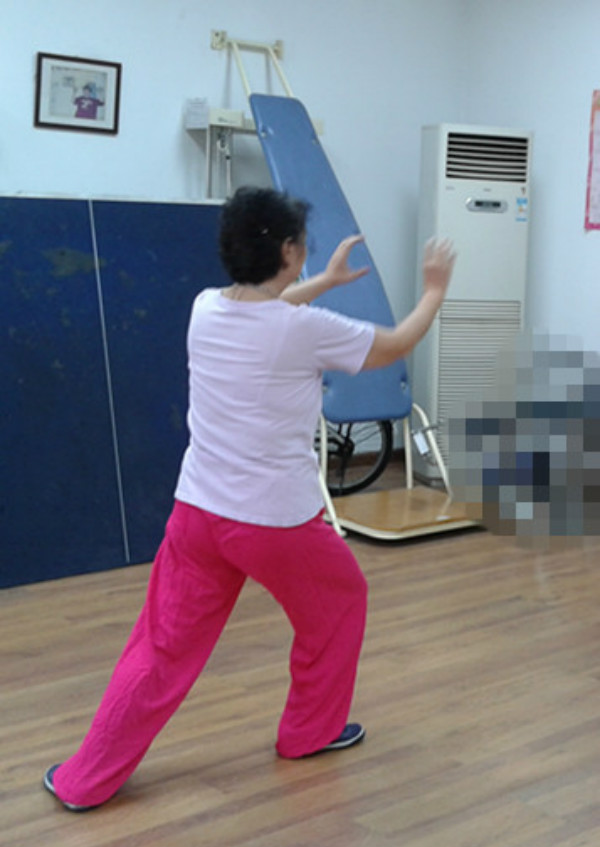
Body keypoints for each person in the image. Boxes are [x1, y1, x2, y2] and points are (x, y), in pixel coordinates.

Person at [43, 186, 456, 812]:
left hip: (197, 514)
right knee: (340, 603)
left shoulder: (205, 307)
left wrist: (323, 281)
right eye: (302, 247)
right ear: (288, 251)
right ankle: (309, 733)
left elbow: (269, 313)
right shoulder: (304, 329)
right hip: (274, 523)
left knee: (160, 649)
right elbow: (396, 343)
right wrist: (434, 289)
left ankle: (84, 779)